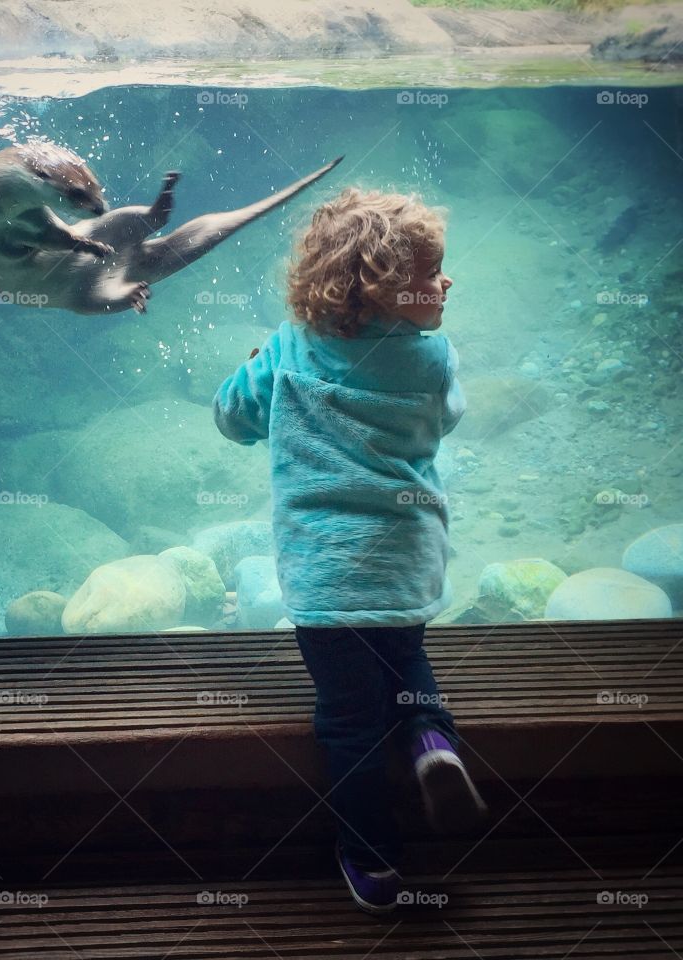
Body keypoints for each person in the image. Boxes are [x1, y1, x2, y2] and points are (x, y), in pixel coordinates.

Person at [212, 187, 487, 915]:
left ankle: (371, 861)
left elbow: (232, 417)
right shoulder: (432, 357)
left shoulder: (291, 345)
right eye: (432, 276)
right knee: (405, 659)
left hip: (325, 568)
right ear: (386, 291)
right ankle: (432, 738)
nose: (446, 284)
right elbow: (448, 417)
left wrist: (259, 373)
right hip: (406, 557)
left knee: (347, 719)